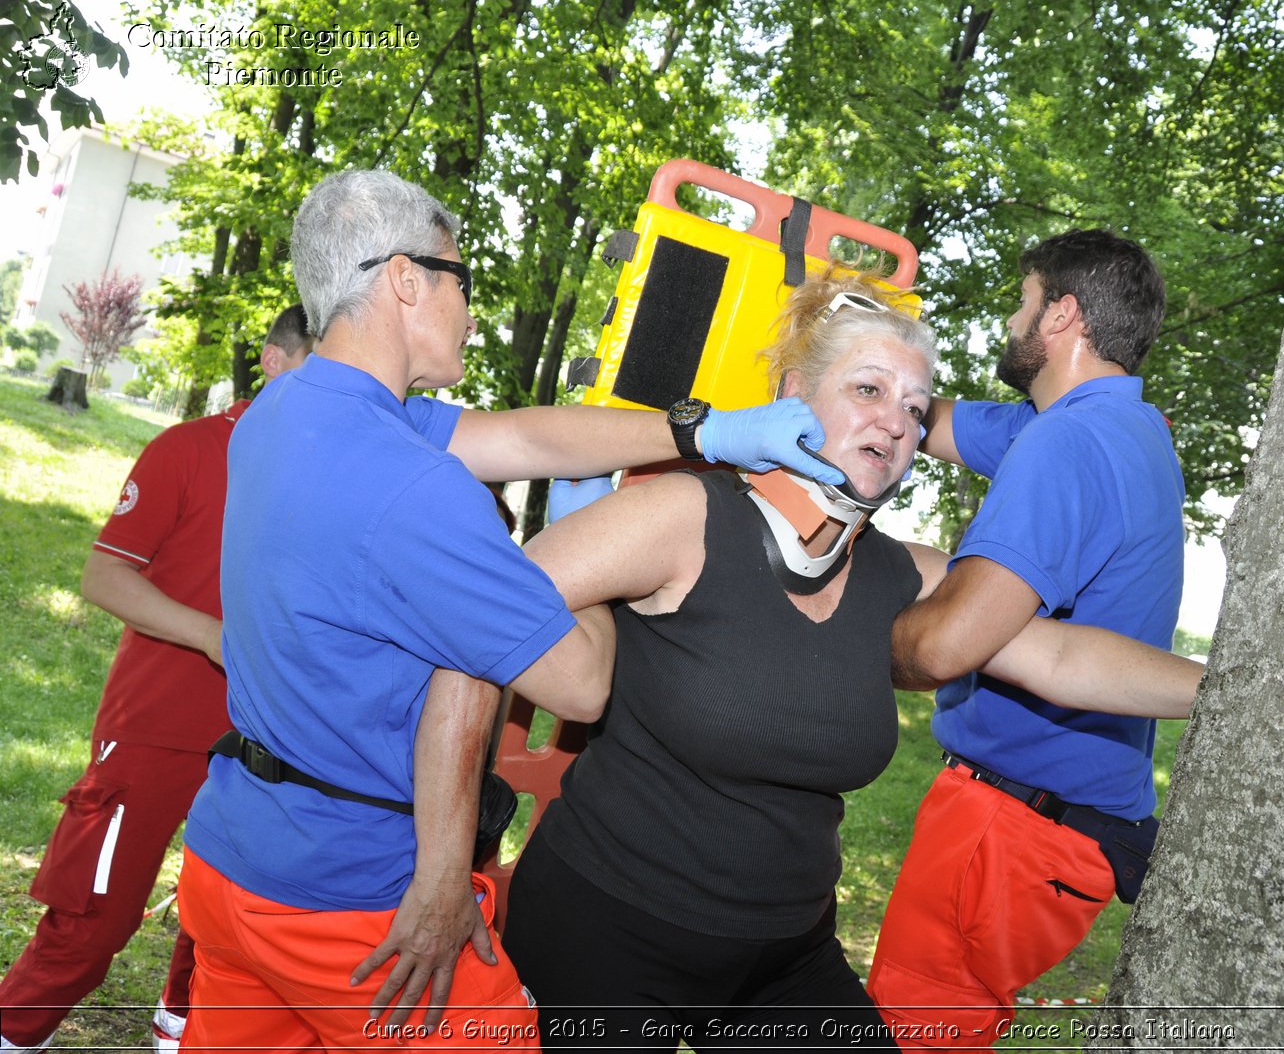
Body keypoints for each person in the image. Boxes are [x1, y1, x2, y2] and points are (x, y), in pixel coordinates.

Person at [171, 168, 847, 1051]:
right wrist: (595, 544)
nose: (471, 308)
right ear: (406, 280)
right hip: (353, 906)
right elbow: (581, 683)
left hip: (236, 862)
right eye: (461, 280)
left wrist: (703, 430)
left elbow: (522, 436)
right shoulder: (413, 488)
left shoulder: (292, 408)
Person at [494, 266, 1199, 1051]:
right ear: (794, 394)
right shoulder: (682, 515)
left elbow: (1062, 656)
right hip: (606, 929)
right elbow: (472, 602)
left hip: (783, 955)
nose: (897, 423)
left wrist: (1231, 691)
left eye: (913, 407)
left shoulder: (905, 573)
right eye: (868, 390)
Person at [867, 228, 1187, 1046]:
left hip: (1007, 834)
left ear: (1062, 315)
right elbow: (925, 420)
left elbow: (942, 647)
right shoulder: (1124, 428)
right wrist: (856, 371)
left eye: (1024, 299)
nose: (1013, 317)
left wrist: (838, 626)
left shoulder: (1066, 441)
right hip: (1057, 834)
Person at [0, 305, 314, 1053]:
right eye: (317, 367)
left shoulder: (329, 478)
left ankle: (182, 1032)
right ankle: (16, 1030)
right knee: (94, 912)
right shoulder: (190, 449)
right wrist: (211, 636)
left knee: (224, 922)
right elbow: (104, 577)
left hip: (267, 740)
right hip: (156, 725)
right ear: (273, 360)